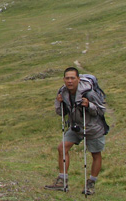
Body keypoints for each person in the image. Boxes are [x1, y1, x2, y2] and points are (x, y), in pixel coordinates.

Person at [45, 67, 106, 195]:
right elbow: (60, 113)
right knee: (62, 148)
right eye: (67, 78)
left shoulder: (89, 93)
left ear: (78, 79)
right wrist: (59, 102)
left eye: (73, 78)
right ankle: (62, 181)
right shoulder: (63, 92)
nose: (70, 81)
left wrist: (89, 105)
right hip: (76, 126)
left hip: (93, 128)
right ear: (64, 79)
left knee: (95, 154)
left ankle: (91, 184)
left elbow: (101, 110)